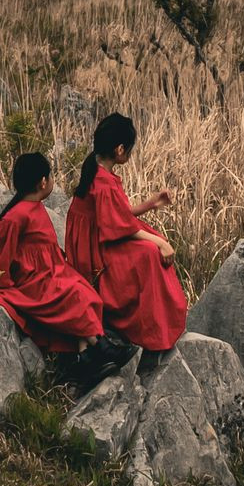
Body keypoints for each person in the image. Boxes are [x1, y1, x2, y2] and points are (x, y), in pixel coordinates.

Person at [0, 152, 126, 384]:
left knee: (83, 290)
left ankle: (85, 357)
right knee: (74, 295)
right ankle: (101, 345)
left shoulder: (34, 207)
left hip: (51, 273)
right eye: (51, 176)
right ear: (43, 182)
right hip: (34, 281)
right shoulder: (16, 216)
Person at [64, 111, 189, 365]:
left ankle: (155, 327)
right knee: (150, 254)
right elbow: (117, 226)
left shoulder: (97, 169)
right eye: (129, 148)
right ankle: (151, 330)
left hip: (96, 242)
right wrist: (162, 243)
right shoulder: (103, 182)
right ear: (120, 149)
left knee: (151, 243)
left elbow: (115, 217)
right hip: (95, 253)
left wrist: (150, 203)